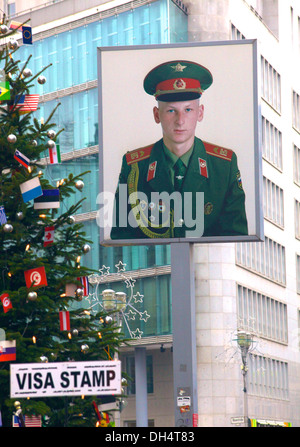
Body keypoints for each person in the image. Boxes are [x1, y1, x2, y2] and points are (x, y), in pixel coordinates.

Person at [110, 60, 248, 240]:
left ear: (200, 113)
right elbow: (121, 238)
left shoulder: (224, 165)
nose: (180, 120)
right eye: (171, 111)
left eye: (188, 110)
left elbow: (236, 238)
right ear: (156, 115)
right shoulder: (135, 167)